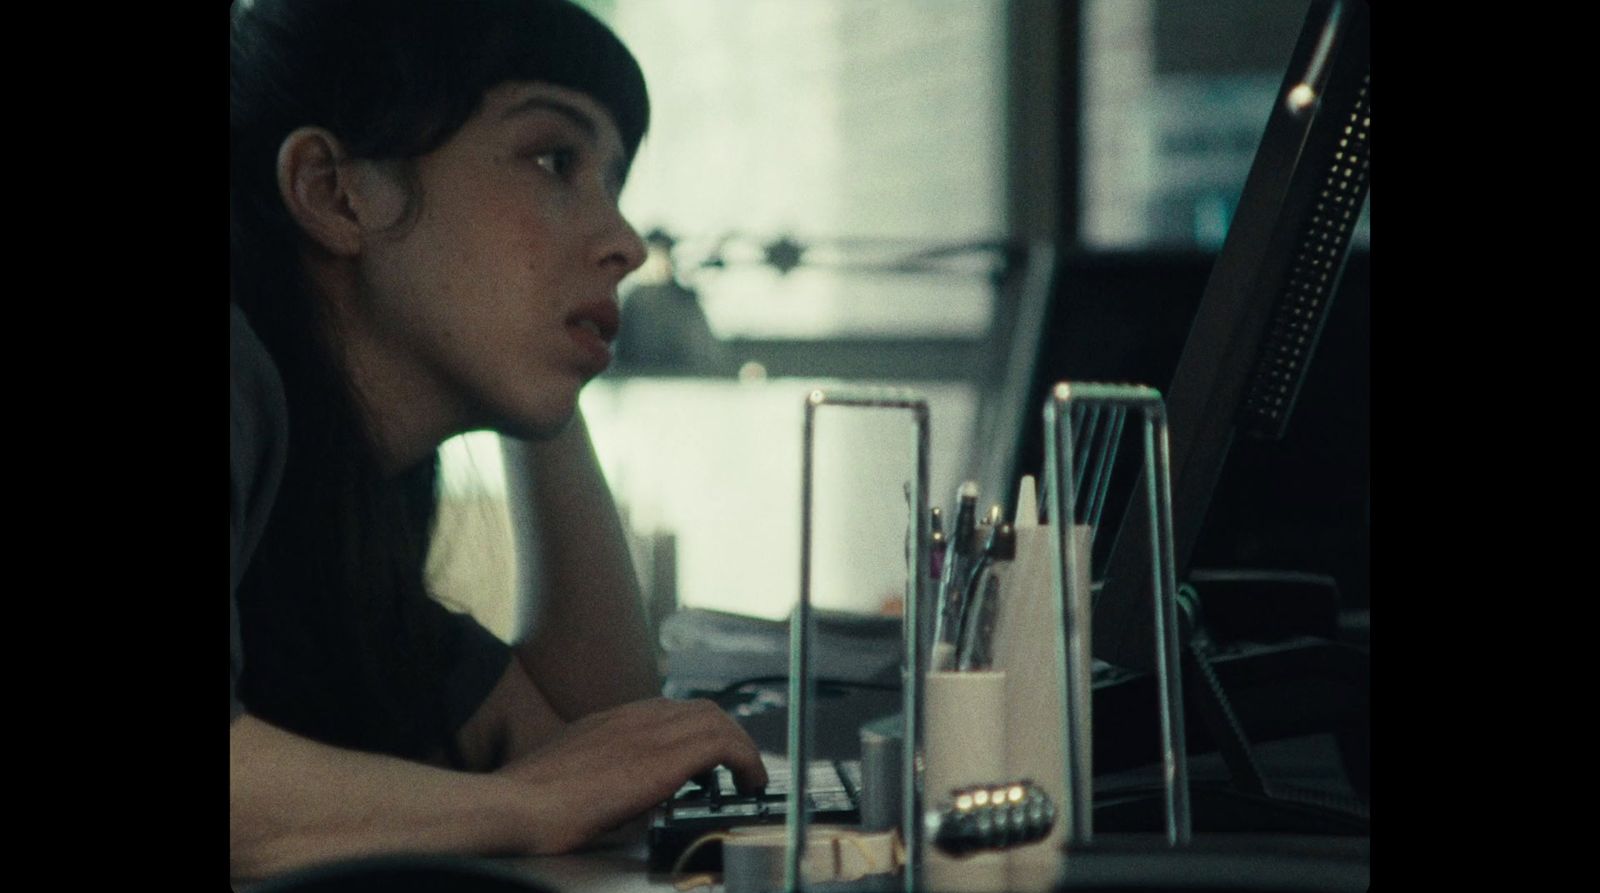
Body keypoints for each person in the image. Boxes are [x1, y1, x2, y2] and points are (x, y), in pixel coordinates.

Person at [229, 0, 767, 880]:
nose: (626, 243)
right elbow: (559, 784)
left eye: (615, 183)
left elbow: (598, 738)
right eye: (555, 160)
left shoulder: (338, 506)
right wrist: (525, 806)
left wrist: (548, 362)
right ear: (334, 193)